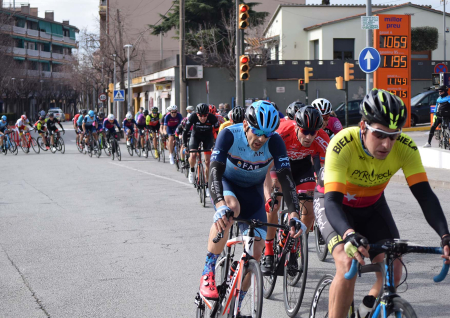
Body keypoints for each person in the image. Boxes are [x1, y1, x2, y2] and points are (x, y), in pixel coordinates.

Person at [317, 89, 450, 318]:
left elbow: (425, 196)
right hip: (335, 206)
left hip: (372, 205)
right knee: (347, 262)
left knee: (394, 269)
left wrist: (445, 235)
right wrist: (348, 234)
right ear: (363, 126)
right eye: (379, 134)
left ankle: (367, 308)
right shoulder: (342, 144)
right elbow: (332, 202)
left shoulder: (405, 148)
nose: (387, 144)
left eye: (393, 136)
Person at [199, 101, 305, 306]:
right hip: (227, 184)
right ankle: (207, 272)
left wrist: (294, 215)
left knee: (255, 254)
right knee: (231, 209)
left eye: (267, 134)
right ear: (246, 125)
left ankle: (237, 302)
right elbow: (214, 171)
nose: (261, 139)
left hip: (253, 192)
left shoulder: (274, 142)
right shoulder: (229, 134)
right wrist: (219, 203)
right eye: (257, 132)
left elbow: (286, 178)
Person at [262, 106, 329, 273]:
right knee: (274, 204)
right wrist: (267, 196)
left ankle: (294, 248)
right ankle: (269, 252)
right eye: (305, 131)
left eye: (312, 133)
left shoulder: (322, 138)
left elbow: (327, 170)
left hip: (301, 168)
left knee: (309, 209)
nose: (308, 137)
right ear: (297, 127)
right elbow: (265, 168)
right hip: (278, 165)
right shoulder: (282, 132)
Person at [183, 103, 219, 197]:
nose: (203, 118)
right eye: (201, 116)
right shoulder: (192, 117)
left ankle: (207, 186)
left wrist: (215, 144)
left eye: (205, 116)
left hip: (208, 138)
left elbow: (218, 133)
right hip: (196, 136)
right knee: (193, 155)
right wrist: (185, 145)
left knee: (207, 162)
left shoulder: (212, 118)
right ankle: (191, 170)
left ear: (208, 114)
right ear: (197, 114)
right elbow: (185, 131)